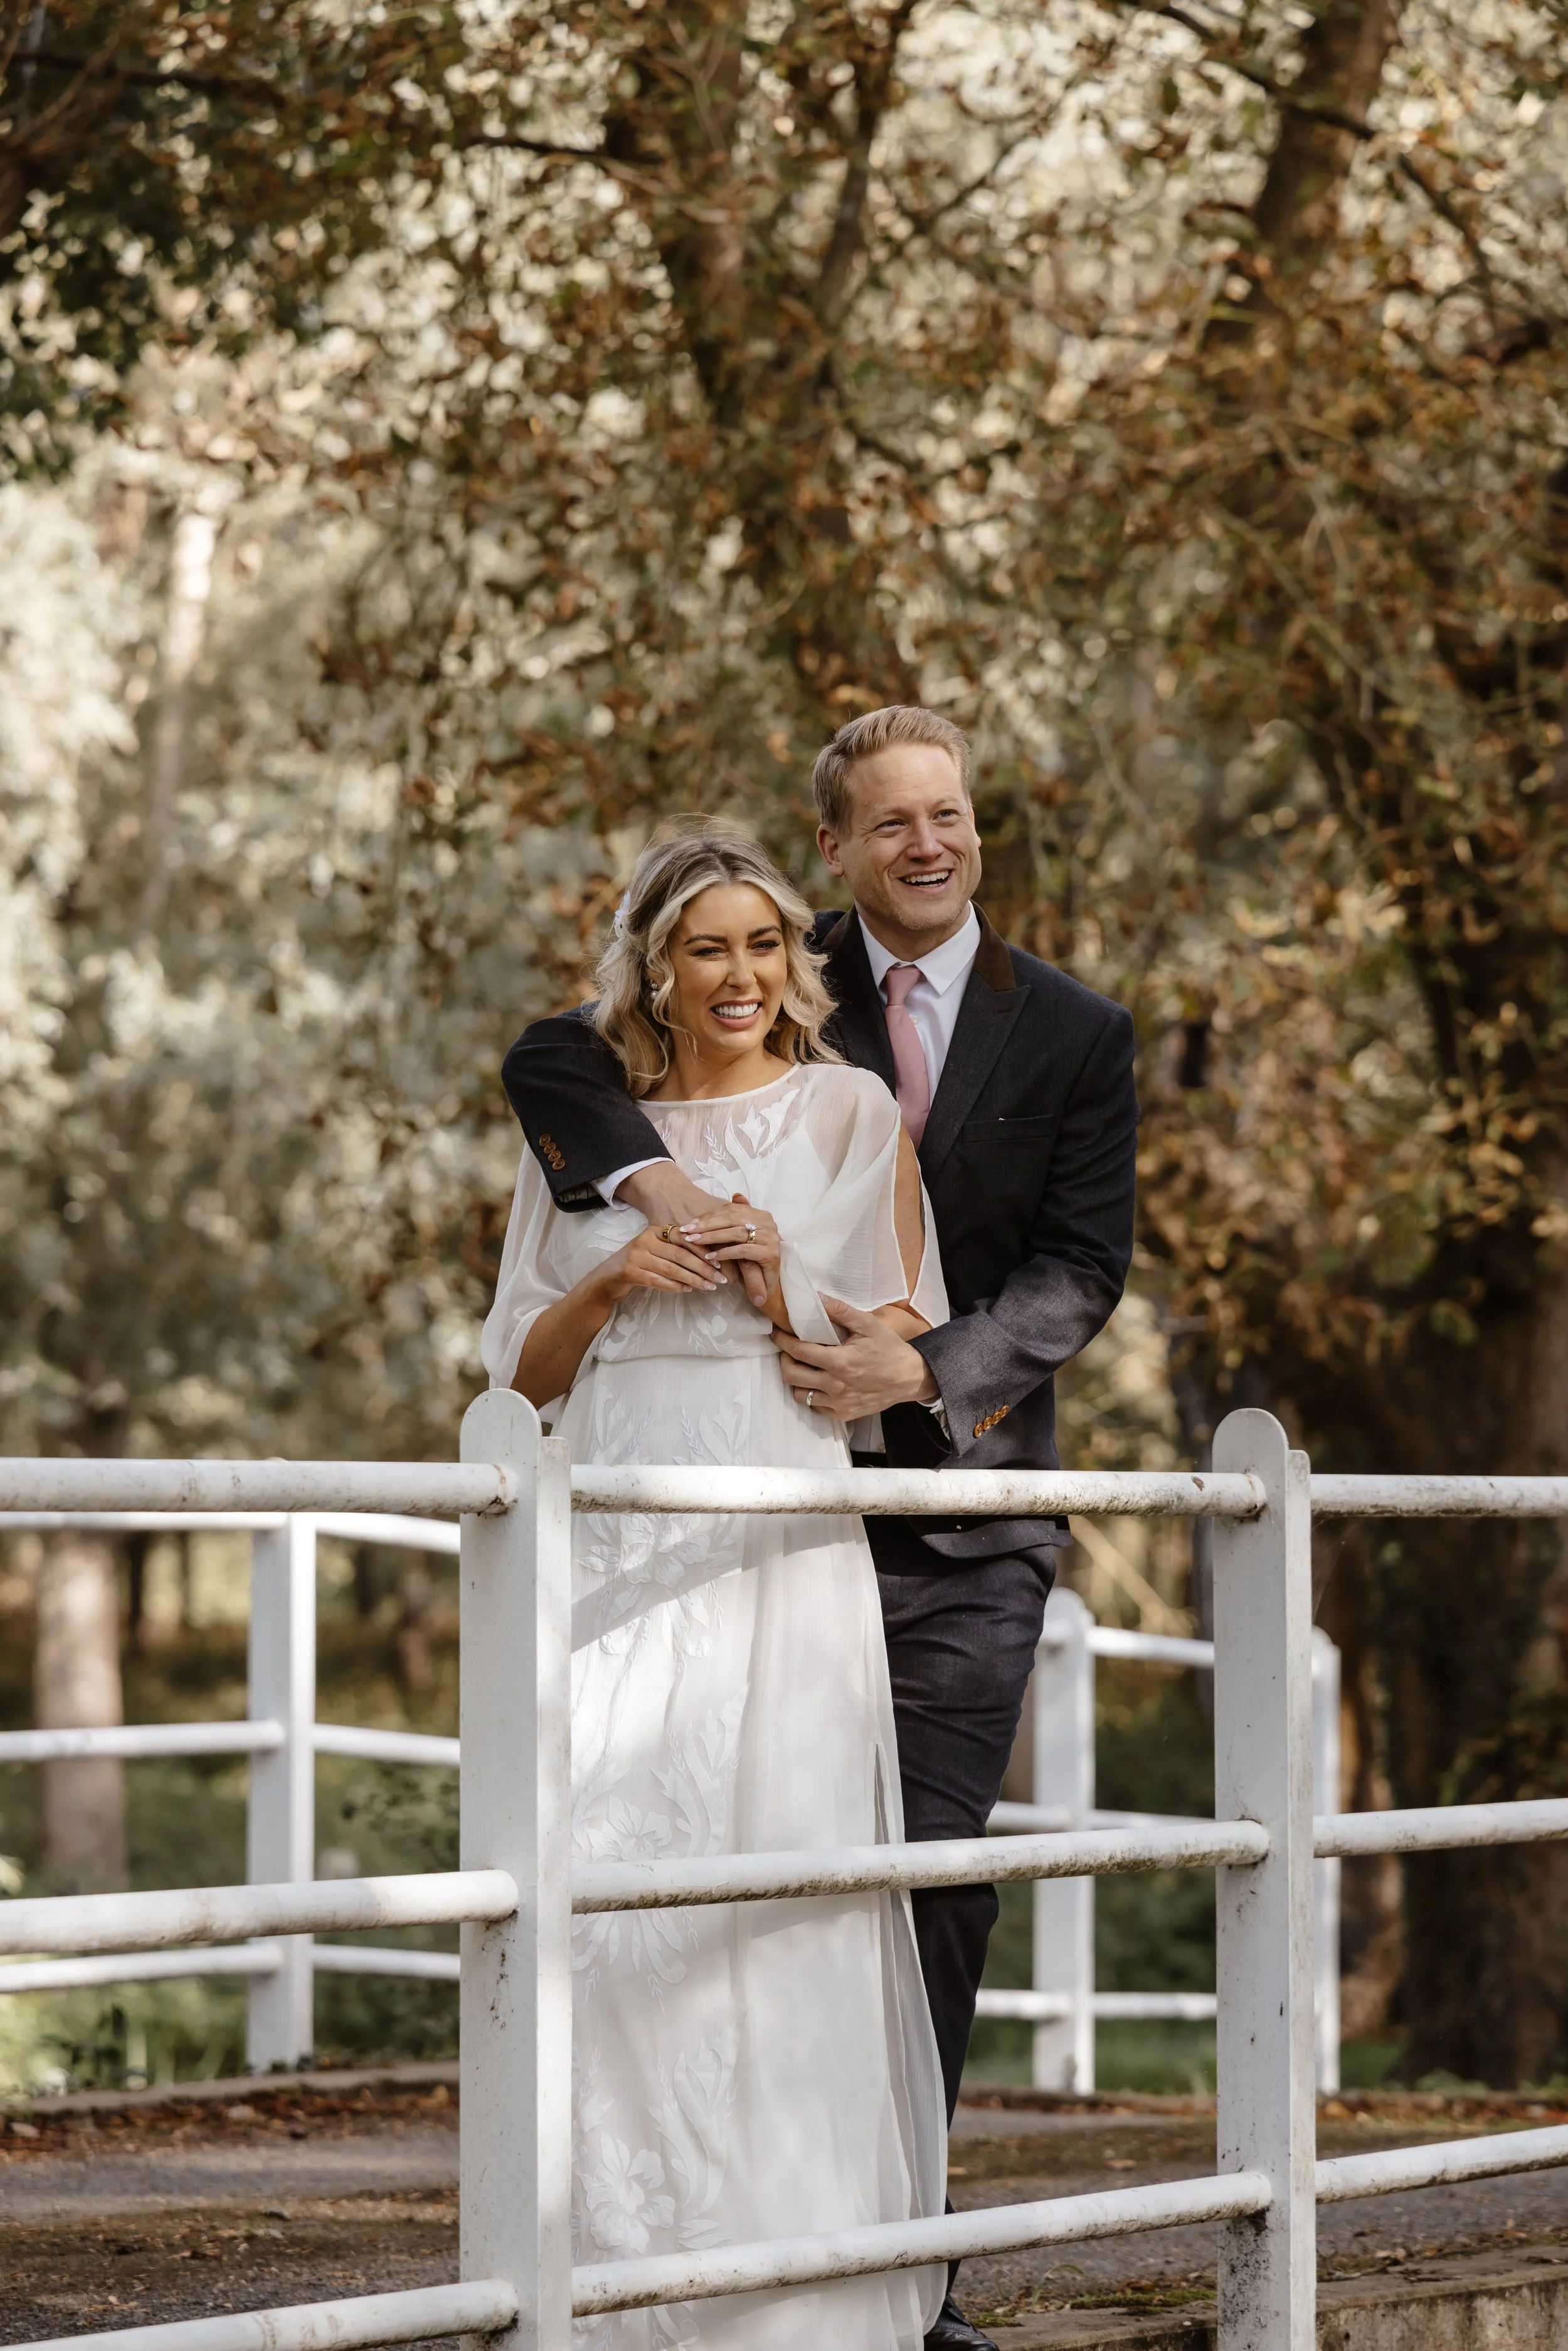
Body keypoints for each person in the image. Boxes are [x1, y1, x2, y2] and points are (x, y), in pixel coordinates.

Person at [502, 708, 1140, 2351]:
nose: (928, 842)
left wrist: (916, 1363)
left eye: (952, 812)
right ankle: (655, 2255)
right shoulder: (779, 970)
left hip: (956, 1509)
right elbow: (555, 1057)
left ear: (973, 827)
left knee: (909, 1886)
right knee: (667, 1876)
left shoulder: (1069, 1027)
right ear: (839, 853)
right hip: (721, 1500)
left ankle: (880, 2275)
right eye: (891, 822)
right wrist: (654, 1202)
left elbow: (1075, 1271)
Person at [482, 822, 948, 2350]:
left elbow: (877, 1347)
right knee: (612, 1883)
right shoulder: (591, 1131)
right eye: (706, 949)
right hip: (615, 1531)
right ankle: (605, 2287)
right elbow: (519, 1382)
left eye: (762, 944)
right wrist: (617, 1274)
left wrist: (770, 1271)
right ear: (657, 970)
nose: (739, 973)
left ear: (791, 965)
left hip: (769, 1523)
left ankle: (785, 2294)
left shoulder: (845, 1109)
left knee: (777, 1875)